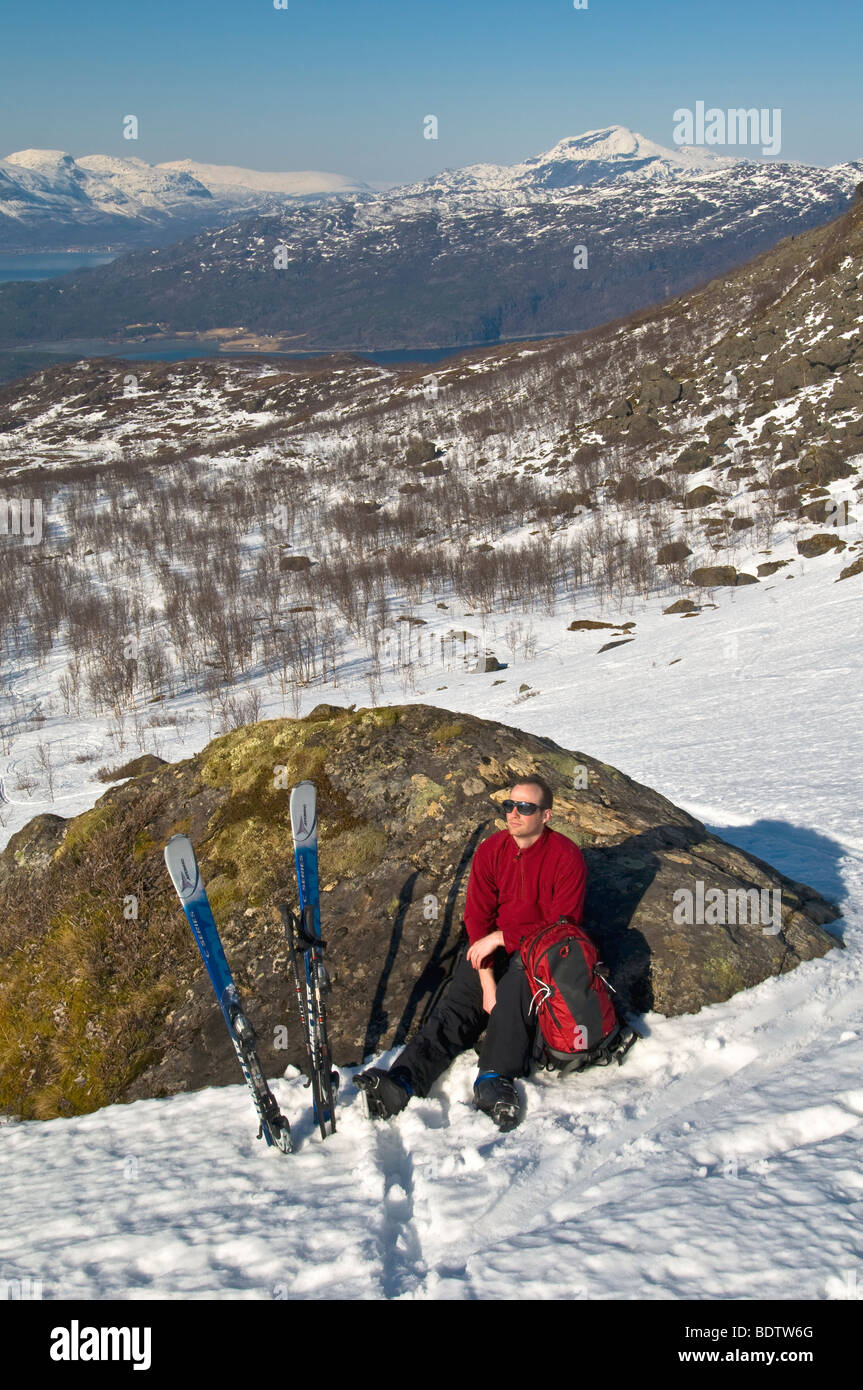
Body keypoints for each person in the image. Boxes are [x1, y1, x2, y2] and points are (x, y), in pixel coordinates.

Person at [355, 775, 588, 1131]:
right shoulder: (491, 850)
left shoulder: (566, 857)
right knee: (455, 1008)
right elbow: (476, 915)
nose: (514, 814)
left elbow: (563, 925)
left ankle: (493, 1078)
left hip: (539, 952)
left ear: (546, 815)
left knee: (515, 993)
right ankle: (401, 1082)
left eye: (525, 807)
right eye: (509, 805)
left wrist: (501, 939)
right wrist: (485, 977)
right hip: (488, 947)